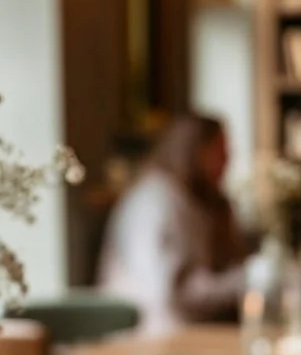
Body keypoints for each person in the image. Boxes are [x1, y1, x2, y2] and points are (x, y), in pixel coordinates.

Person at [98, 114, 248, 333]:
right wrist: (248, 278)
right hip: (150, 334)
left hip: (179, 333)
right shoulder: (158, 201)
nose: (228, 161)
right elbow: (173, 294)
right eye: (220, 152)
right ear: (194, 151)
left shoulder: (192, 200)